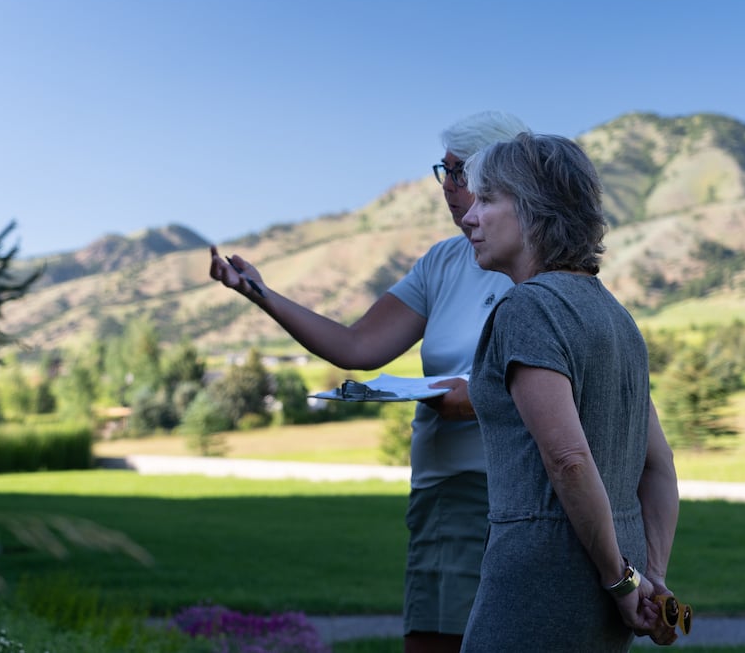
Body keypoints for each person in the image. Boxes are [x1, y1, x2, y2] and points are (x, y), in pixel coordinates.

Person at [209, 111, 529, 653]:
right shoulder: (444, 262)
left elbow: (556, 377)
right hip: (436, 490)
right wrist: (258, 293)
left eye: (458, 173)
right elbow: (358, 347)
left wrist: (478, 396)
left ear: (499, 176)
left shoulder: (541, 262)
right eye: (443, 172)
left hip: (505, 491)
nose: (446, 187)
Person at [457, 132, 680, 651]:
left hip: (547, 572)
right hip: (616, 569)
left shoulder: (527, 310)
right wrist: (650, 575)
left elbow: (569, 460)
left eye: (488, 198)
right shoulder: (617, 317)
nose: (470, 216)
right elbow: (659, 464)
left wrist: (621, 581)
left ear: (536, 210)